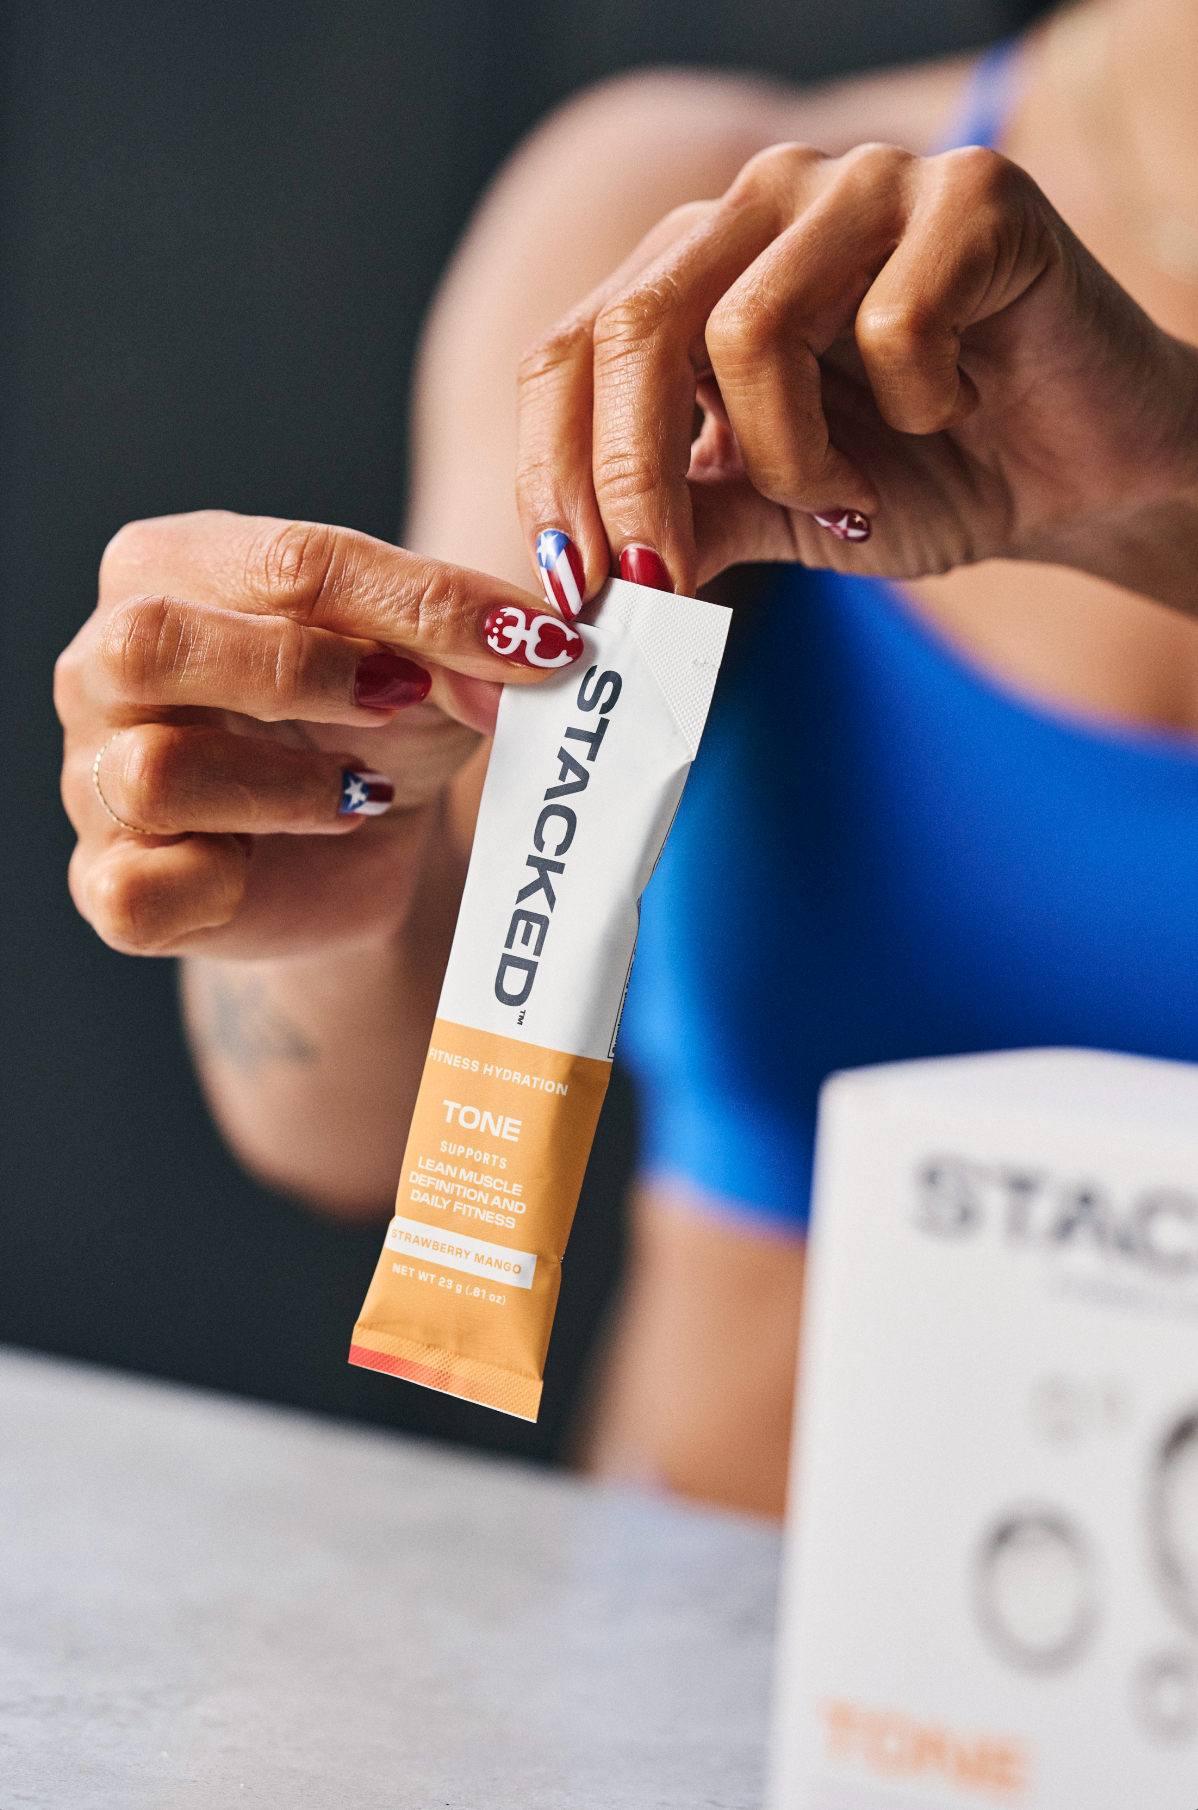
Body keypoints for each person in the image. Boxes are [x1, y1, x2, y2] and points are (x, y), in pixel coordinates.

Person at [56, 0, 1198, 1516]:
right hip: (689, 1669)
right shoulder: (701, 227)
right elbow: (348, 1130)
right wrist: (313, 864)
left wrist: (1162, 500)